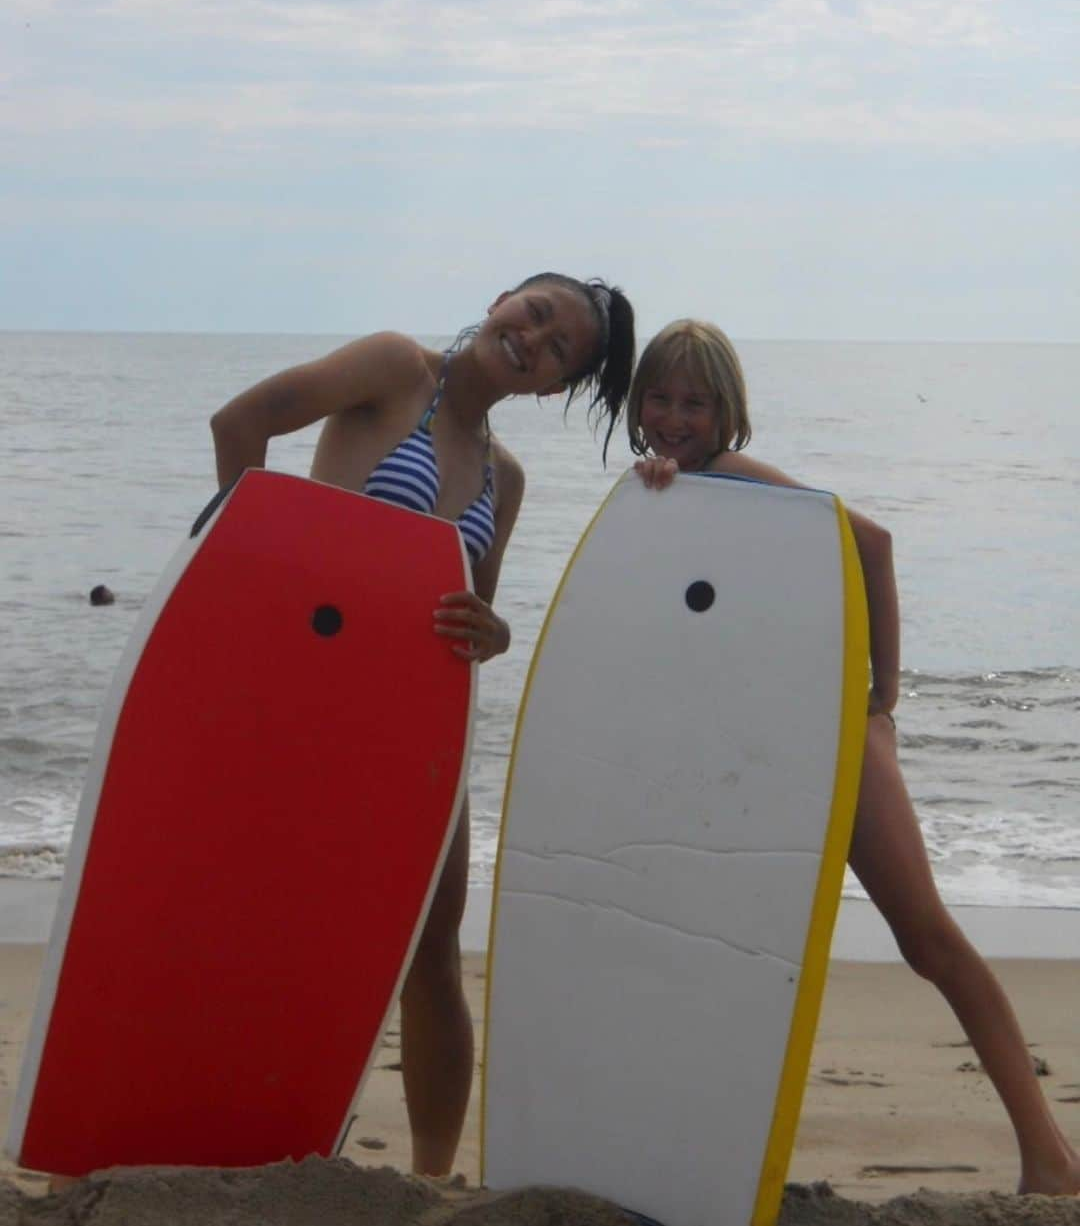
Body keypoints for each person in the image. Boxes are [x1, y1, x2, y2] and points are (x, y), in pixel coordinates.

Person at [627, 318, 1080, 1196]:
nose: (675, 415)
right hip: (764, 749)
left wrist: (884, 698)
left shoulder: (732, 478)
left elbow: (871, 543)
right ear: (638, 402)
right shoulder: (675, 490)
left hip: (830, 734)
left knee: (928, 939)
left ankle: (1051, 1157)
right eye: (661, 397)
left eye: (696, 401)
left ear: (729, 413)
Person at [209, 273, 635, 1177]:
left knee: (434, 956)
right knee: (274, 927)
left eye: (558, 348)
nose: (534, 337)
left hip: (415, 732)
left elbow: (467, 622)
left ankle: (432, 1179)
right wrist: (251, 583)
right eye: (538, 311)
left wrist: (500, 631)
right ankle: (233, 1134)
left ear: (553, 387)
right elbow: (239, 425)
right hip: (310, 705)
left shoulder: (503, 477)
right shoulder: (395, 369)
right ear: (506, 296)